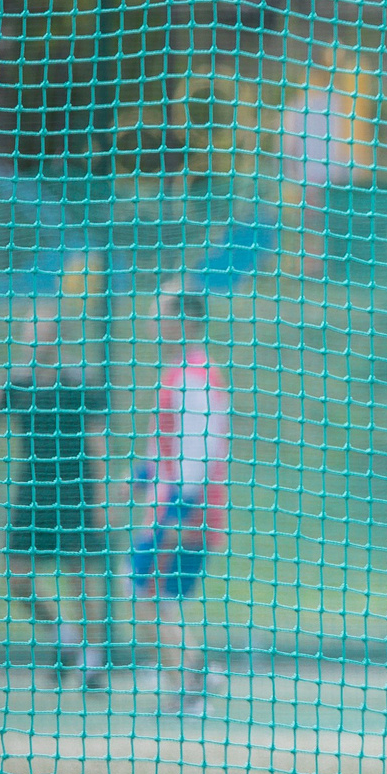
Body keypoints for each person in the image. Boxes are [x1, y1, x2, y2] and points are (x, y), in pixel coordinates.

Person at [0, 307, 112, 687]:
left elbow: (98, 443)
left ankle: (92, 660)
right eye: (31, 329)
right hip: (34, 492)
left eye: (44, 330)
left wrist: (102, 500)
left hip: (75, 491)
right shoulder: (17, 383)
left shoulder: (78, 383)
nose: (36, 337)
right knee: (15, 572)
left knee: (80, 576)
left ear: (58, 336)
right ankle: (63, 635)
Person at [129, 281, 229, 712]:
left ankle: (192, 682)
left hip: (186, 510)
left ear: (185, 318)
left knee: (146, 596)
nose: (154, 320)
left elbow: (201, 452)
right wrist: (137, 480)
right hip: (175, 506)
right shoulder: (180, 371)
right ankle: (190, 677)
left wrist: (175, 511)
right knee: (155, 598)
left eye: (163, 312)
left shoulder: (195, 376)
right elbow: (165, 447)